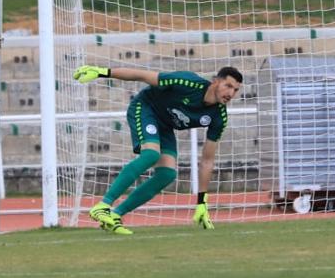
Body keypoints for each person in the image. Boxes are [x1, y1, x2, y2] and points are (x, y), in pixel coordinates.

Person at [72, 65, 242, 235]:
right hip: (145, 108)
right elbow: (141, 75)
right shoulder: (187, 82)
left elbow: (207, 160)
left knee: (167, 174)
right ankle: (103, 206)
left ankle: (116, 214)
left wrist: (202, 202)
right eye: (228, 86)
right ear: (215, 81)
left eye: (235, 90)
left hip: (165, 125)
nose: (231, 93)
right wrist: (102, 72)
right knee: (151, 154)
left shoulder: (219, 116)